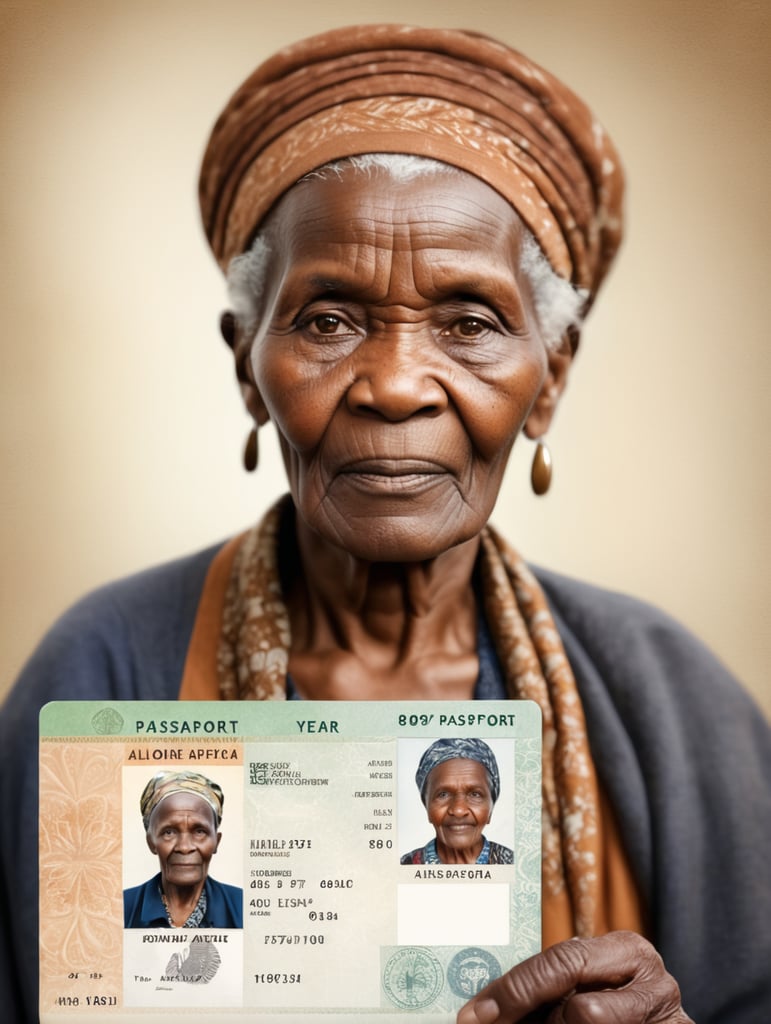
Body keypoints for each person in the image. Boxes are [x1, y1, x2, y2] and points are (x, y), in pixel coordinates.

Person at [0, 22, 769, 1024]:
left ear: (553, 375)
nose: (397, 385)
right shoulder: (106, 667)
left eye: (470, 323)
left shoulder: (670, 705)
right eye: (328, 320)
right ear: (247, 364)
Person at [123, 770, 243, 929]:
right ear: (151, 842)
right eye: (169, 833)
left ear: (216, 841)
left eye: (200, 832)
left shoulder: (244, 908)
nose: (185, 847)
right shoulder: (120, 908)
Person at [401, 738, 513, 865]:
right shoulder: (403, 868)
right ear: (426, 805)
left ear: (491, 807)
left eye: (475, 794)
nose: (459, 810)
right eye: (443, 795)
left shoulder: (517, 866)